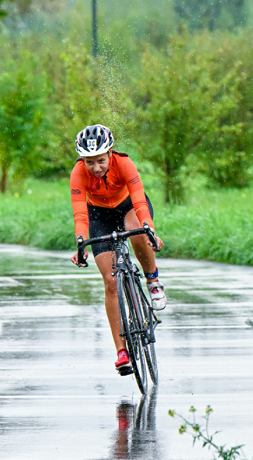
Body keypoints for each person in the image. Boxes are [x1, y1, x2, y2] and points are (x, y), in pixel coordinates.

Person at [69, 124, 167, 375]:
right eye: (90, 163)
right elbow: (80, 214)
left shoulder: (124, 163)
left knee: (137, 230)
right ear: (83, 160)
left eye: (100, 160)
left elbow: (139, 199)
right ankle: (121, 351)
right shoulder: (78, 173)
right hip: (99, 215)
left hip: (129, 207)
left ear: (110, 153)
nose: (96, 168)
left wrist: (150, 229)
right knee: (110, 281)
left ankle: (152, 280)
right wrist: (81, 243)